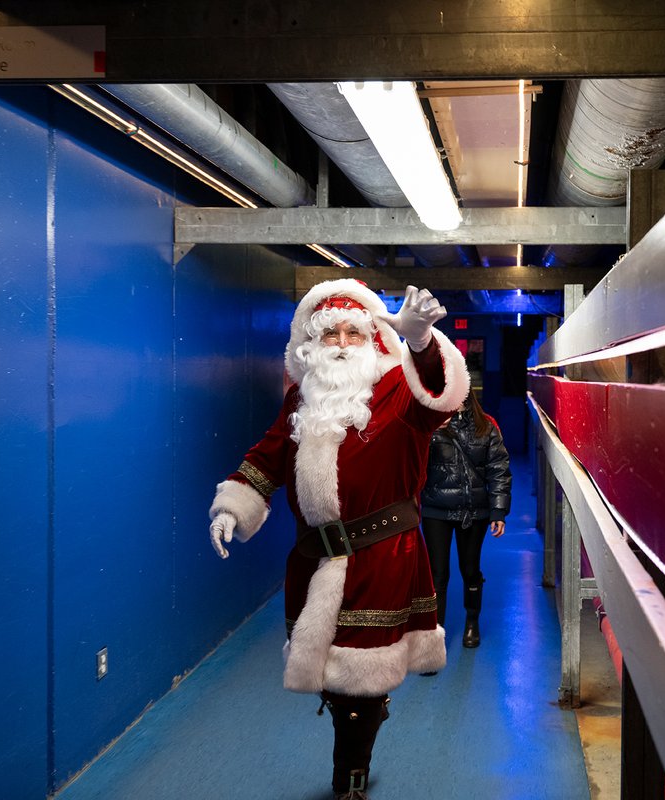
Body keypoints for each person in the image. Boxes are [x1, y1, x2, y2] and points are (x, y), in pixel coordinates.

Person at [207, 280, 470, 800]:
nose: (344, 343)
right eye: (332, 334)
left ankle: (350, 777)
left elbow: (442, 398)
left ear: (373, 339)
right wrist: (233, 507)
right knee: (333, 674)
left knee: (360, 677)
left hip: (382, 556)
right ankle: (360, 726)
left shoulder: (399, 388)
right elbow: (267, 457)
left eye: (355, 332)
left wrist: (421, 343)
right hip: (313, 560)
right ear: (313, 344)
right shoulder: (300, 399)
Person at [420, 389, 512, 650]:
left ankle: (472, 622)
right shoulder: (428, 424)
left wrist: (498, 511)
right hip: (435, 509)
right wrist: (427, 431)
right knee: (437, 574)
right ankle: (435, 637)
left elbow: (498, 469)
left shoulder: (487, 426)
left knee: (470, 570)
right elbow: (410, 460)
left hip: (474, 511)